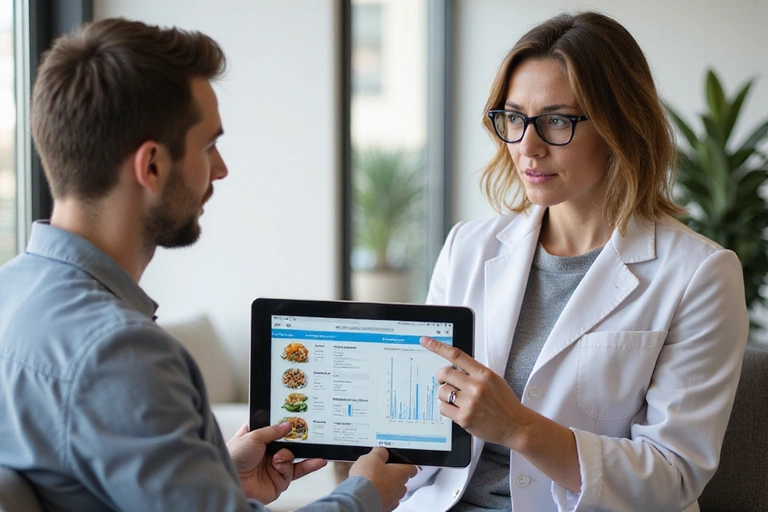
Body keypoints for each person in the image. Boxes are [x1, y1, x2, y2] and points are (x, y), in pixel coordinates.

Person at [0, 17, 415, 512]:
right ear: (151, 165)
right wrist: (363, 495)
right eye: (208, 146)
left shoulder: (11, 295)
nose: (220, 169)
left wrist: (219, 479)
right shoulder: (121, 353)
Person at [398, 11, 749, 512]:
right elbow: (423, 419)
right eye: (514, 118)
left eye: (557, 121)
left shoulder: (700, 274)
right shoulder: (468, 248)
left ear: (620, 126)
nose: (528, 147)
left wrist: (519, 427)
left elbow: (673, 476)